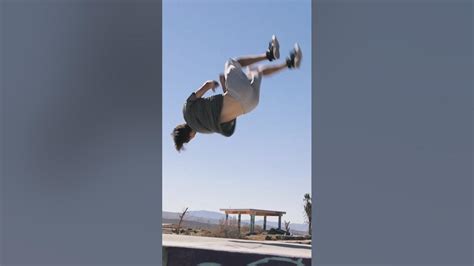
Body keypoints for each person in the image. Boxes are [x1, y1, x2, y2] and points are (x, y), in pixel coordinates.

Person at [172, 35, 302, 152]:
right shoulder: (186, 109)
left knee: (257, 71)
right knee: (232, 62)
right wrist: (214, 84)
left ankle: (290, 63)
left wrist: (224, 87)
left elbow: (228, 116)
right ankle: (269, 55)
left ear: (189, 137)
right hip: (237, 94)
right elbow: (207, 85)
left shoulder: (207, 129)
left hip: (250, 105)